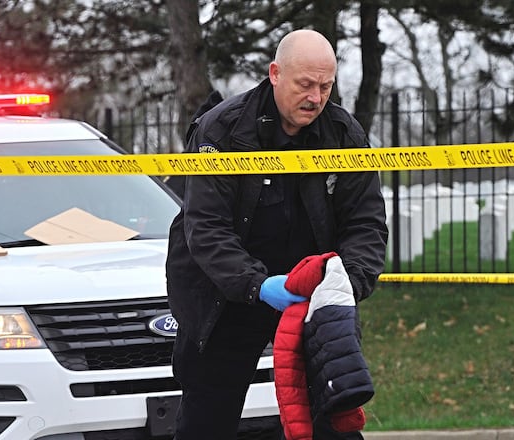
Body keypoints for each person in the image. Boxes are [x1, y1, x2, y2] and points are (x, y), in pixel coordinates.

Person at [165, 28, 388, 440]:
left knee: (332, 416)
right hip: (223, 297)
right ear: (275, 74)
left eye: (325, 86)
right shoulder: (221, 133)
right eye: (305, 84)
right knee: (207, 420)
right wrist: (257, 285)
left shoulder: (344, 135)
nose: (316, 98)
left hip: (311, 297)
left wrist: (347, 283)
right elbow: (206, 228)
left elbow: (366, 221)